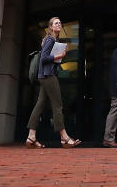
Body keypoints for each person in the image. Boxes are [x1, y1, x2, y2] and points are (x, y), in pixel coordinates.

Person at [25, 16, 80, 148]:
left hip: (45, 75)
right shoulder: (50, 39)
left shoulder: (53, 40)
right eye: (56, 23)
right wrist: (59, 56)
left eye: (60, 23)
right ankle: (64, 137)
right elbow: (44, 58)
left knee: (40, 104)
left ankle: (31, 136)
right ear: (50, 27)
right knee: (58, 105)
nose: (59, 25)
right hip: (48, 75)